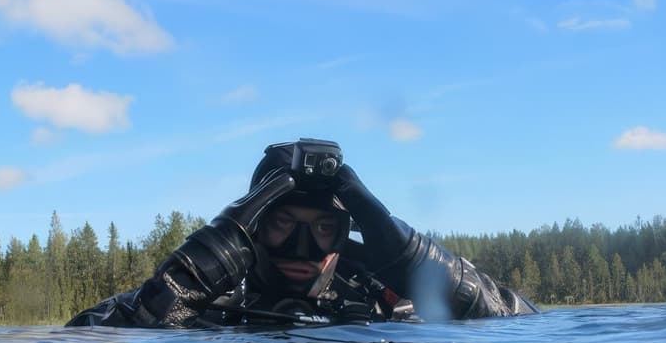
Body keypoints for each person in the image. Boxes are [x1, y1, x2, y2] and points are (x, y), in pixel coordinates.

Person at [66, 140, 539, 327]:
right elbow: (83, 342)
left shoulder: (388, 304)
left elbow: (523, 326)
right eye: (281, 224)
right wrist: (191, 275)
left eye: (323, 229)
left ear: (346, 235)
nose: (302, 249)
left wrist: (414, 259)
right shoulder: (206, 305)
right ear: (247, 231)